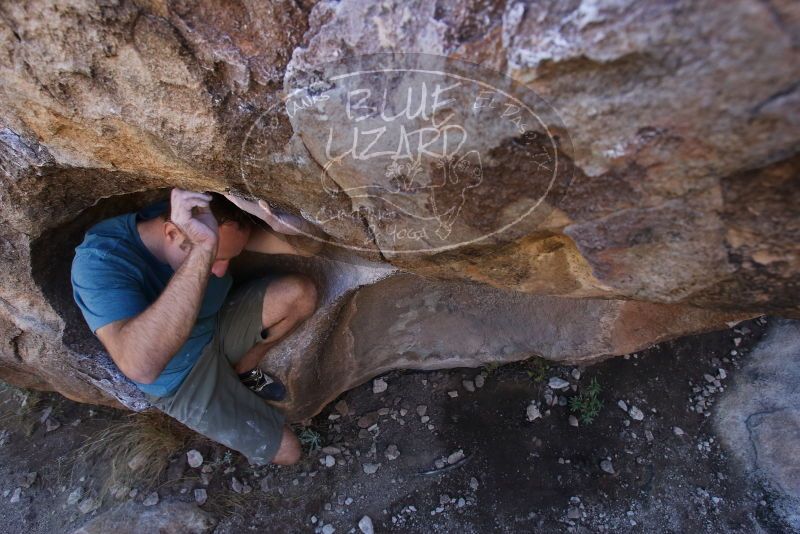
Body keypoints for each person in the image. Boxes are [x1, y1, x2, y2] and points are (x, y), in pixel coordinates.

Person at [70, 188, 320, 466]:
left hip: (215, 324)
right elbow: (140, 366)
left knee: (300, 295)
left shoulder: (202, 218)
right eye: (215, 259)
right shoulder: (101, 261)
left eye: (229, 257)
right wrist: (203, 251)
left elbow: (312, 246)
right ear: (171, 234)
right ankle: (227, 389)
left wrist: (279, 222)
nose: (222, 270)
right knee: (289, 452)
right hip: (181, 376)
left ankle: (244, 368)